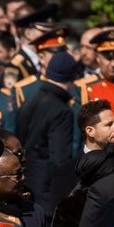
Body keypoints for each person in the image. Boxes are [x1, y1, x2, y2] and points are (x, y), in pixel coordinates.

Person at [15, 51, 80, 214]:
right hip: (48, 190)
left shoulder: (31, 100)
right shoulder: (61, 110)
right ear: (72, 78)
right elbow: (59, 159)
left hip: (26, 181)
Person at [11, 27, 69, 108]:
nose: (63, 58)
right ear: (42, 58)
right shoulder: (25, 90)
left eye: (64, 53)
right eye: (57, 54)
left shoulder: (73, 86)